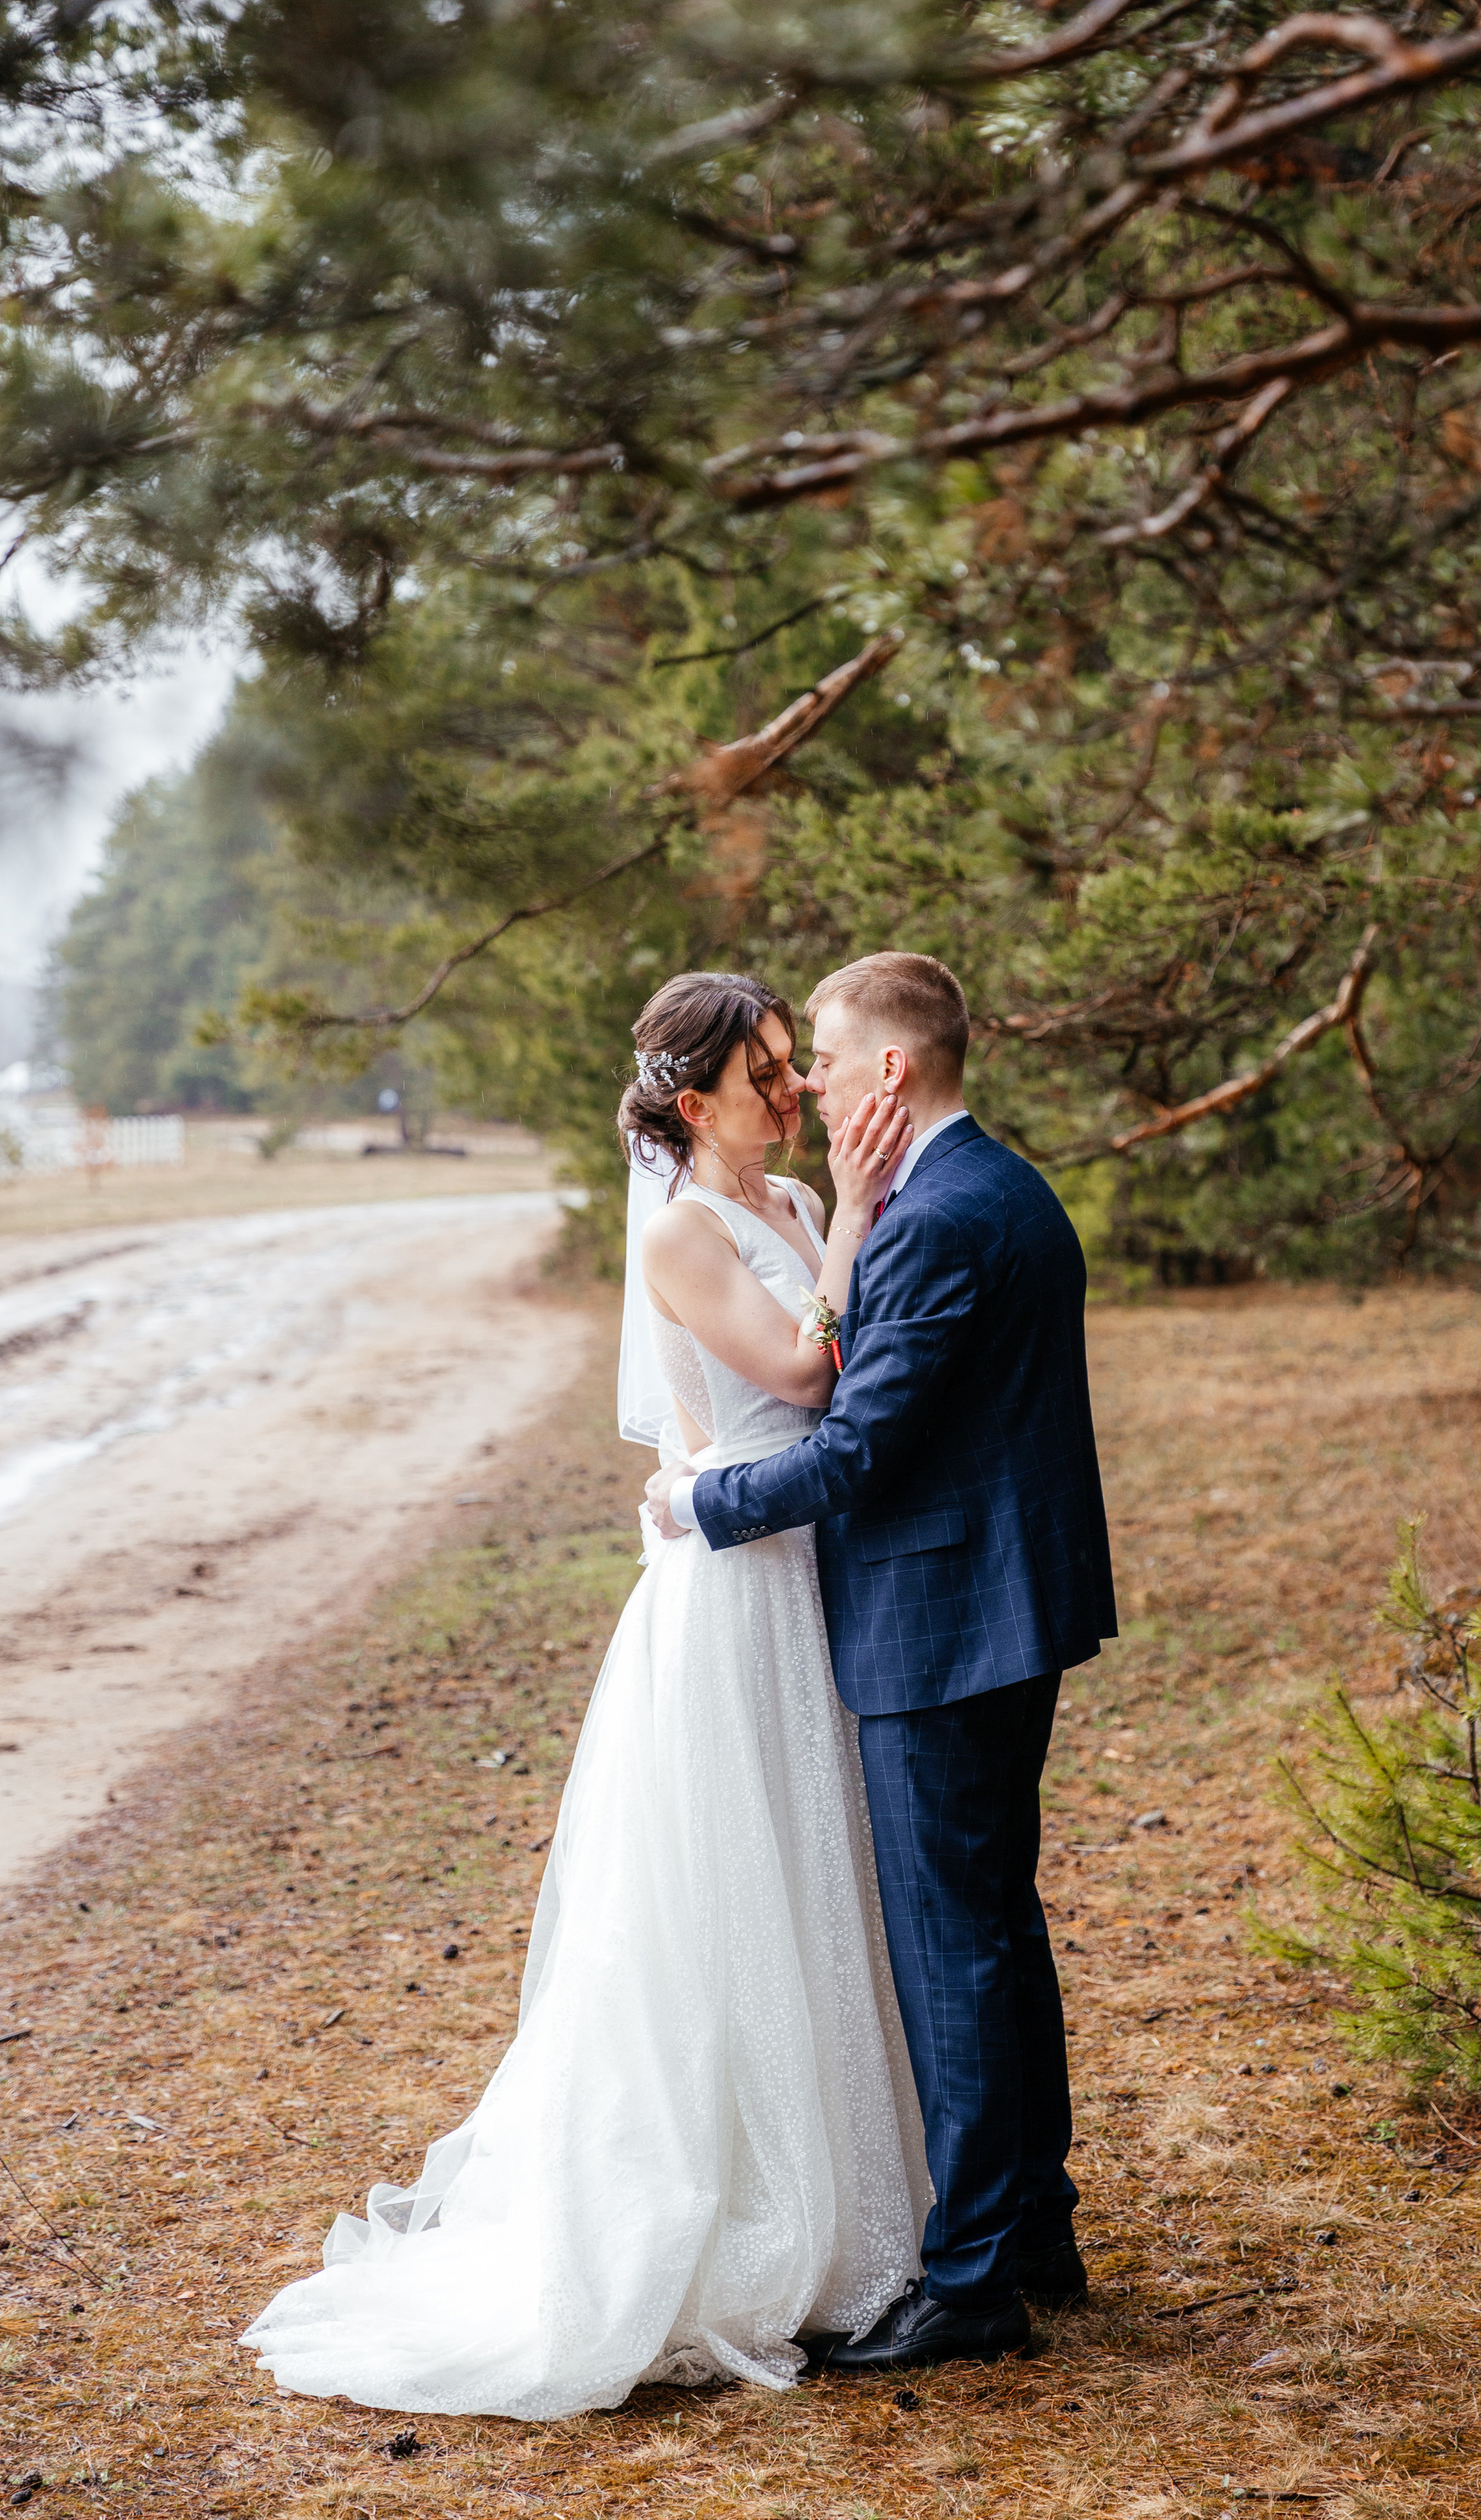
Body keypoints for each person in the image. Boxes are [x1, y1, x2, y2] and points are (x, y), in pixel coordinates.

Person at [241, 971, 930, 2417]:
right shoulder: (686, 1234)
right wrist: (862, 1213)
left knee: (831, 1876)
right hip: (731, 1600)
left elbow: (858, 1359)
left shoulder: (796, 1206)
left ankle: (866, 2198)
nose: (794, 1094)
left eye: (793, 1066)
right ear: (691, 1104)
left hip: (811, 1571)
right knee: (730, 1885)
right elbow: (804, 1375)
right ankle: (729, 2216)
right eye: (763, 1076)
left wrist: (842, 1218)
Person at [648, 949, 1116, 2376]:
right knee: (995, 1926)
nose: (814, 1088)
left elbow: (858, 1448)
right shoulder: (1000, 1187)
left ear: (891, 1074)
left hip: (942, 1621)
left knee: (952, 1942)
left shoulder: (929, 1220)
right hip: (1002, 1606)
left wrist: (697, 1505)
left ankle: (973, 2278)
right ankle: (1032, 2223)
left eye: (831, 1063)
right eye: (786, 1072)